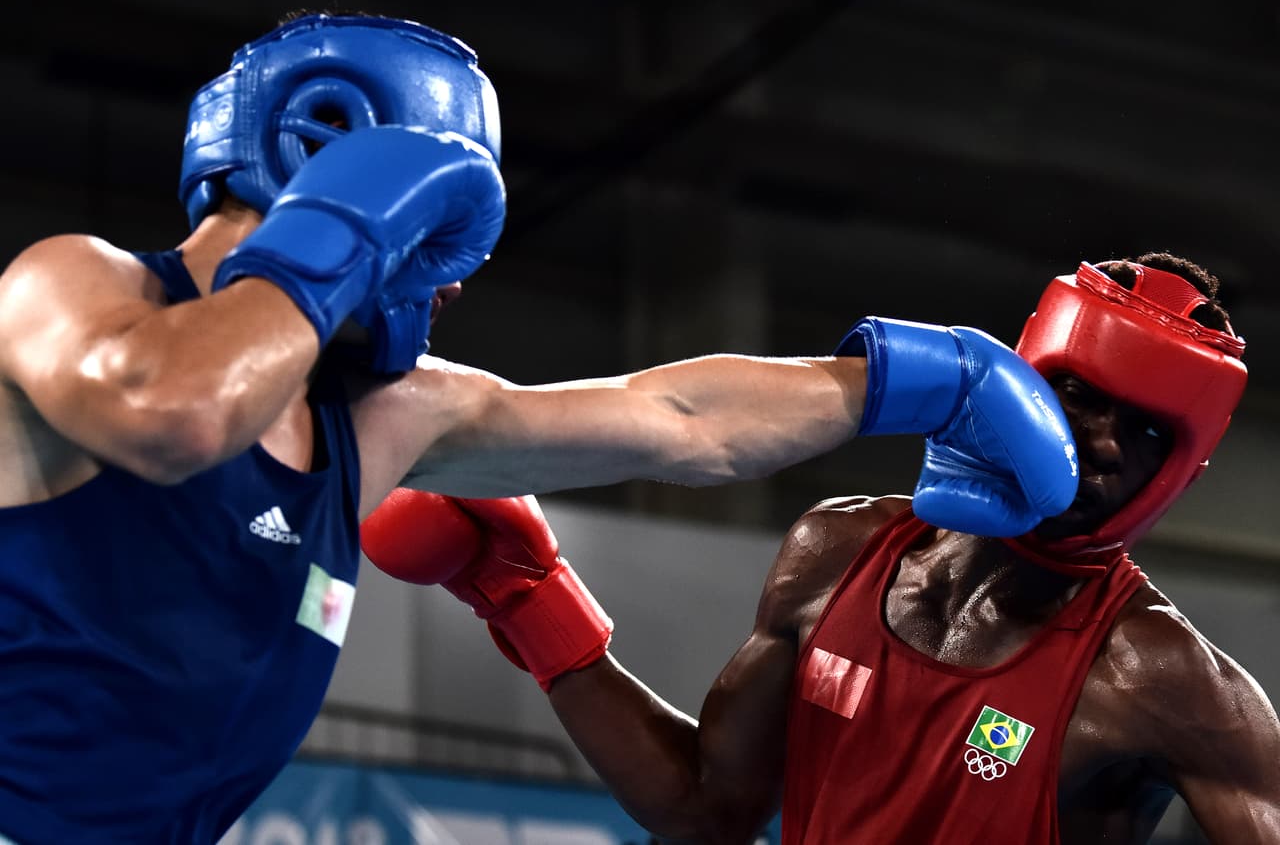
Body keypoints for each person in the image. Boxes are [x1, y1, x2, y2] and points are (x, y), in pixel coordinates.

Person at [0, 10, 1080, 845]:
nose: (457, 285)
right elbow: (168, 410)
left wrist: (914, 383)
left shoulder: (382, 418)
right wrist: (339, 228)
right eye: (441, 228)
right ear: (324, 154)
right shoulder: (74, 283)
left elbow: (675, 418)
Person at [365, 254, 1280, 844]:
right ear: (1025, 375)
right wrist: (526, 594)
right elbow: (706, 808)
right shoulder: (840, 548)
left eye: (1150, 432)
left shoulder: (1168, 683)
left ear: (1182, 471)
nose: (1107, 444)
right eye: (1082, 396)